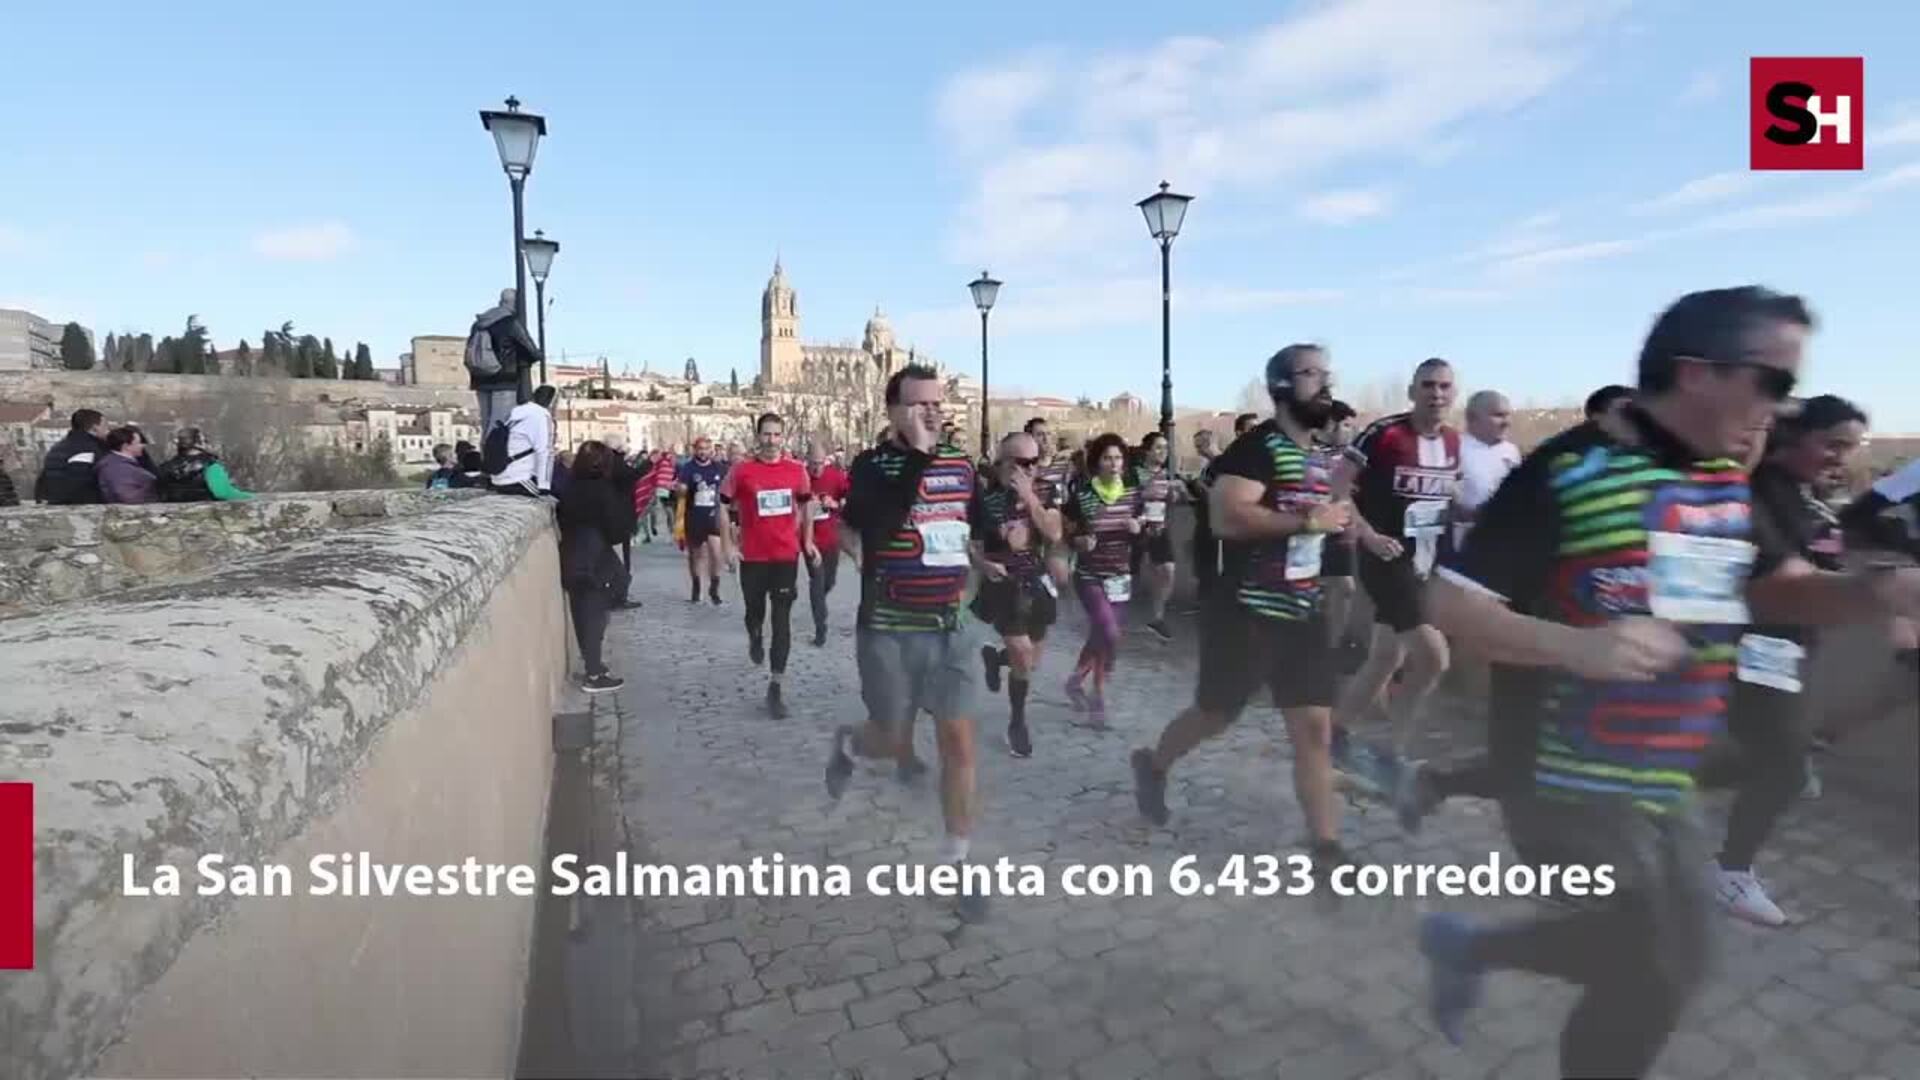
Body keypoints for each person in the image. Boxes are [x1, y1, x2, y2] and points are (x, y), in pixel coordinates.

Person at [1416, 286, 1920, 1079]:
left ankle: (1470, 946)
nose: (1785, 409)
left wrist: (1876, 592)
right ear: (1696, 373)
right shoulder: (1568, 469)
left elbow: (1774, 585)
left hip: (1664, 771)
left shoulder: (1722, 475)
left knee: (1675, 963)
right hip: (1562, 773)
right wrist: (1576, 647)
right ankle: (1475, 948)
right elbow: (1449, 604)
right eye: (1774, 383)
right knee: (1649, 972)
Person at [1132, 344, 1355, 874]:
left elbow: (1322, 520)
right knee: (1217, 712)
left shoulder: (1318, 456)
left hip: (1302, 609)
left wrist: (1336, 538)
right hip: (1245, 610)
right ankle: (1154, 765)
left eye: (1326, 373)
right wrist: (1309, 523)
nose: (1325, 384)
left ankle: (1326, 849)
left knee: (1314, 730)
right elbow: (1228, 517)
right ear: (1281, 386)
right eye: (1310, 374)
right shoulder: (1257, 449)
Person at [824, 364, 991, 922]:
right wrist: (917, 458)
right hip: (890, 628)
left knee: (958, 744)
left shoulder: (961, 464)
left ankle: (957, 863)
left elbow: (975, 524)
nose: (932, 413)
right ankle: (853, 745)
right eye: (919, 405)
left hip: (950, 625)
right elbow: (877, 522)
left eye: (938, 404)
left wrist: (996, 548)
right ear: (893, 411)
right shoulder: (872, 466)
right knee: (892, 739)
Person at [1696, 394, 1866, 926]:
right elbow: (1779, 573)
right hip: (1754, 645)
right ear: (1792, 438)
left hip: (1790, 645)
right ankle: (1729, 872)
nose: (1841, 458)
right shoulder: (1758, 490)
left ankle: (1640, 794)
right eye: (1832, 444)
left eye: (1850, 448)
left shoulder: (1807, 492)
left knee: (1761, 757)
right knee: (1785, 768)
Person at [1332, 358, 1460, 764]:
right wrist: (1367, 535)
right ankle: (1393, 749)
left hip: (1425, 562)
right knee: (1434, 657)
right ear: (1412, 391)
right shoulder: (1384, 433)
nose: (1436, 394)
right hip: (1385, 558)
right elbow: (1337, 486)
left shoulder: (1454, 442)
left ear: (1454, 393)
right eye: (1428, 385)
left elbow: (1449, 499)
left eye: (1444, 386)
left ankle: (1335, 734)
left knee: (1386, 656)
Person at [973, 431, 1065, 757]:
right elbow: (971, 544)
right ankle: (1017, 722)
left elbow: (1054, 532)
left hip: (1036, 582)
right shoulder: (985, 498)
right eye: (1022, 463)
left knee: (1029, 662)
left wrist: (1029, 497)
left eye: (1034, 462)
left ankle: (996, 657)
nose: (1030, 469)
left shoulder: (1047, 490)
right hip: (1003, 584)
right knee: (1023, 654)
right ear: (1004, 463)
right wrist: (983, 564)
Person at [720, 412, 816, 718]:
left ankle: (776, 687)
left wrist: (808, 541)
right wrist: (728, 546)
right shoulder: (742, 470)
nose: (772, 441)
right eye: (766, 434)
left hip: (785, 557)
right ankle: (754, 635)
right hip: (753, 557)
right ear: (758, 436)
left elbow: (807, 505)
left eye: (777, 435)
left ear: (783, 437)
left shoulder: (796, 470)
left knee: (782, 620)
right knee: (755, 613)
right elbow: (723, 505)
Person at [1061, 433, 1146, 728]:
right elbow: (1067, 532)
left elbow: (1149, 532)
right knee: (1108, 631)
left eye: (1118, 458)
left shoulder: (1134, 494)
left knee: (1102, 634)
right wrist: (1079, 541)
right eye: (1108, 458)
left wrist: (1138, 530)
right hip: (1090, 575)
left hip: (1120, 575)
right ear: (1097, 462)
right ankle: (1096, 693)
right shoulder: (1082, 495)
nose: (1114, 463)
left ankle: (1079, 684)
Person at [557, 441, 631, 694]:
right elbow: (616, 530)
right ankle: (593, 673)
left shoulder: (569, 486)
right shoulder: (602, 490)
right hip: (594, 555)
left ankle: (594, 664)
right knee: (593, 613)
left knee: (582, 612)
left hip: (571, 551)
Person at [1315, 401, 1362, 662]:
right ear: (1330, 424)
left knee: (1345, 587)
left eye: (1351, 426)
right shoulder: (1308, 452)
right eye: (1345, 425)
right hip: (1310, 529)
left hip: (1342, 530)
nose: (1350, 431)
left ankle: (1333, 648)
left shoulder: (1353, 456)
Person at [1452, 390, 1520, 550]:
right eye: (1498, 415)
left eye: (1508, 415)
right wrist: (1469, 513)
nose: (1506, 422)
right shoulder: (1453, 449)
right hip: (1465, 545)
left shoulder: (1512, 451)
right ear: (1472, 417)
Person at [1129, 431, 1180, 641]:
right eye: (1158, 447)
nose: (1163, 452)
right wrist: (1144, 493)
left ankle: (1158, 618)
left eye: (1166, 448)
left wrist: (1175, 494)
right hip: (1135, 527)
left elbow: (1175, 499)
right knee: (1130, 575)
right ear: (1147, 451)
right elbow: (1121, 497)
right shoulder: (1133, 473)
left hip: (1159, 527)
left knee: (1168, 570)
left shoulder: (1169, 474)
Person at [471, 288, 544, 430]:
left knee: (486, 423)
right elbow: (530, 350)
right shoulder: (511, 322)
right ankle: (496, 445)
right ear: (515, 303)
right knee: (500, 424)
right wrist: (537, 355)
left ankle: (486, 445)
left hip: (481, 378)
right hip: (504, 379)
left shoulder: (479, 323)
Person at [804, 440, 851, 646]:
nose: (817, 468)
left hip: (831, 537)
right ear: (807, 460)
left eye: (820, 463)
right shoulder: (801, 477)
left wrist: (835, 504)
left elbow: (849, 499)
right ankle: (820, 629)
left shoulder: (835, 476)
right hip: (809, 539)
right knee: (817, 580)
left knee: (829, 581)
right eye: (813, 463)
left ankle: (819, 601)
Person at [675, 437, 730, 604]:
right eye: (700, 449)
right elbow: (680, 489)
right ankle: (696, 585)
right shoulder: (688, 468)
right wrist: (681, 490)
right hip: (694, 516)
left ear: (710, 450)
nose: (703, 452)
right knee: (696, 555)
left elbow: (727, 488)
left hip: (713, 516)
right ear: (695, 450)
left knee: (716, 553)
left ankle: (714, 587)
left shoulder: (718, 467)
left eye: (706, 449)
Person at [489, 385, 557, 498]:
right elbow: (545, 451)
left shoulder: (516, 412)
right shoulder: (541, 415)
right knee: (559, 495)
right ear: (551, 401)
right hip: (519, 478)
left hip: (498, 477)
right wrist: (544, 486)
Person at [34, 408, 109, 505]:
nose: (108, 431)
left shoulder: (57, 448)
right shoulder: (90, 449)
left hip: (55, 502)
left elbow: (43, 479)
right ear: (94, 428)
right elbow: (81, 485)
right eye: (105, 426)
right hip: (81, 506)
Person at [156, 428, 252, 502]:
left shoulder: (164, 468)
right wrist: (250, 497)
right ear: (199, 444)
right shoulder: (210, 466)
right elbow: (222, 493)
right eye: (206, 441)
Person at [97, 426, 158, 504]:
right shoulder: (116, 469)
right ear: (126, 446)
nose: (143, 445)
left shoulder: (119, 464)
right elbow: (129, 498)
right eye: (139, 442)